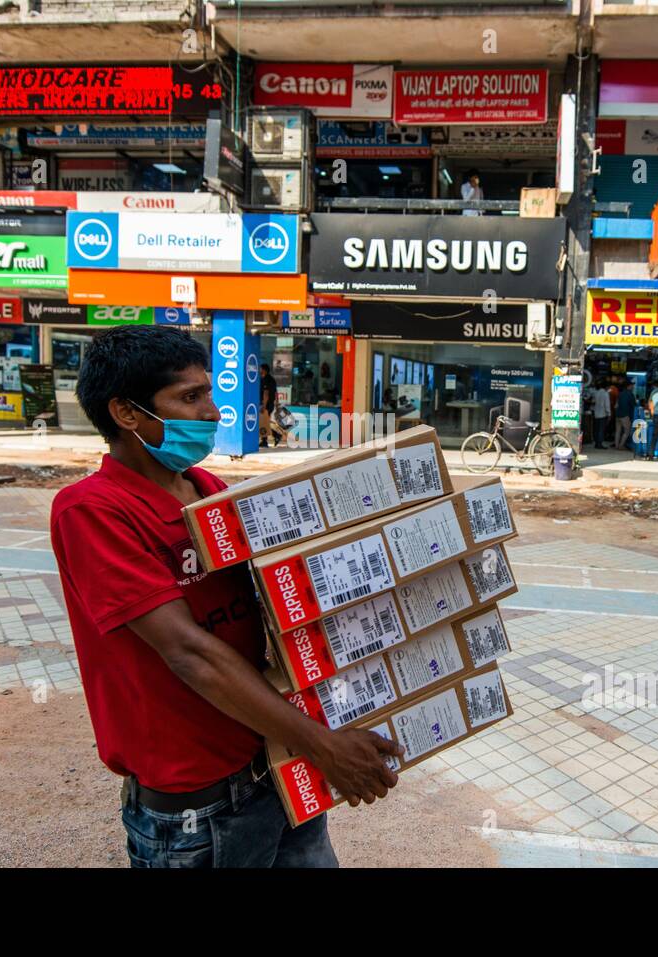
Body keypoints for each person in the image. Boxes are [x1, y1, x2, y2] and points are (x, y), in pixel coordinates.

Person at [49, 326, 402, 868]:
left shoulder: (208, 490)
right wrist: (323, 744)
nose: (214, 412)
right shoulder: (93, 510)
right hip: (200, 804)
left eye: (209, 393)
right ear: (125, 413)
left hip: (276, 763)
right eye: (190, 397)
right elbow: (189, 653)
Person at [259, 371, 286, 448]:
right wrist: (277, 402)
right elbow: (275, 392)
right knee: (264, 423)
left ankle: (269, 438)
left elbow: (266, 393)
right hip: (270, 404)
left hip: (265, 405)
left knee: (263, 423)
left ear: (264, 370)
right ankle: (270, 438)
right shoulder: (272, 380)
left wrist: (264, 405)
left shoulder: (266, 380)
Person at [614, 378, 636, 450]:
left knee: (618, 431)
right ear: (628, 386)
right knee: (627, 431)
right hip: (625, 415)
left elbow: (616, 405)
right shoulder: (630, 394)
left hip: (618, 415)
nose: (633, 387)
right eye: (632, 385)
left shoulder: (620, 393)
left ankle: (616, 445)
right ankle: (621, 446)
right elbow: (634, 404)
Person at [592, 379, 611, 449]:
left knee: (596, 429)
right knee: (601, 430)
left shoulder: (596, 393)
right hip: (603, 414)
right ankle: (599, 444)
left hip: (596, 413)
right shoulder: (606, 394)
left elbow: (593, 402)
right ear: (606, 387)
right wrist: (609, 414)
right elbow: (607, 405)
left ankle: (597, 443)